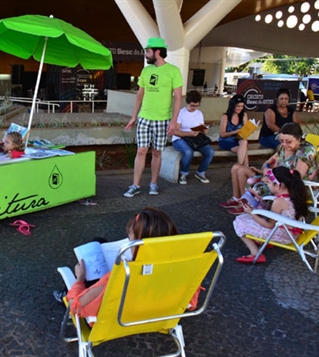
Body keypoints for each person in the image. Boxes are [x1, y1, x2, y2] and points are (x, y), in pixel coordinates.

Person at [66, 207, 179, 323]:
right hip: (160, 314)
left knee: (91, 260)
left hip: (115, 320)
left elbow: (76, 306)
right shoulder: (181, 267)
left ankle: (63, 294)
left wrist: (80, 278)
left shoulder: (117, 277)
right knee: (100, 241)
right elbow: (190, 303)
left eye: (130, 238)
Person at [123, 37, 183, 197]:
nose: (145, 54)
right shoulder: (145, 71)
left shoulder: (173, 71)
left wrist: (174, 120)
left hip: (163, 119)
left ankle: (153, 183)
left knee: (157, 152)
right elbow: (139, 95)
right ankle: (135, 184)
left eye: (147, 51)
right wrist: (133, 116)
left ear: (158, 52)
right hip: (144, 117)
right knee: (141, 150)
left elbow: (178, 97)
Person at [221, 122, 319, 213]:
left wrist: (270, 176)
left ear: (298, 139)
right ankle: (244, 203)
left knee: (258, 186)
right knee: (241, 170)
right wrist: (266, 171)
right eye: (282, 141)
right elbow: (267, 163)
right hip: (277, 179)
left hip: (298, 187)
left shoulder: (305, 151)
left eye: (288, 142)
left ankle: (252, 208)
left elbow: (297, 177)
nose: (284, 144)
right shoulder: (283, 148)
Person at [233, 166, 308, 264]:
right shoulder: (295, 195)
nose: (267, 186)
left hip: (283, 235)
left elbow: (269, 225)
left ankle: (255, 253)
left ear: (278, 186)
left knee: (239, 221)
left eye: (268, 183)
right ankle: (261, 241)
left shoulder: (279, 201)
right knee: (248, 218)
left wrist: (251, 212)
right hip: (293, 232)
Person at [170, 90, 214, 184]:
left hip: (195, 138)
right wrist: (189, 134)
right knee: (188, 152)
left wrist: (204, 130)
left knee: (210, 152)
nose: (194, 108)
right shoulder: (181, 113)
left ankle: (200, 172)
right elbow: (175, 131)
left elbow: (201, 126)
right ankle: (183, 173)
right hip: (180, 138)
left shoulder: (199, 113)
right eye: (192, 105)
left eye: (196, 105)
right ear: (187, 103)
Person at [218, 94, 249, 167]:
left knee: (244, 142)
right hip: (226, 140)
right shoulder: (226, 117)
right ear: (233, 106)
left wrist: (249, 130)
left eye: (242, 106)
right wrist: (234, 132)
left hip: (239, 139)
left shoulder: (244, 115)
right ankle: (245, 167)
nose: (240, 108)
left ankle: (240, 166)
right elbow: (222, 134)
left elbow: (245, 130)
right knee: (243, 150)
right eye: (238, 106)